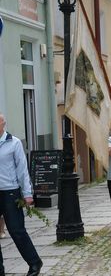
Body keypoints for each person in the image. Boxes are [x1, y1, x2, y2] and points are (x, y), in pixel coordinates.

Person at [0, 113, 42, 276]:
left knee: (16, 230)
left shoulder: (14, 143)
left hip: (10, 192)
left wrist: (27, 193)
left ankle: (34, 262)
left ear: (4, 124)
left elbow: (22, 170)